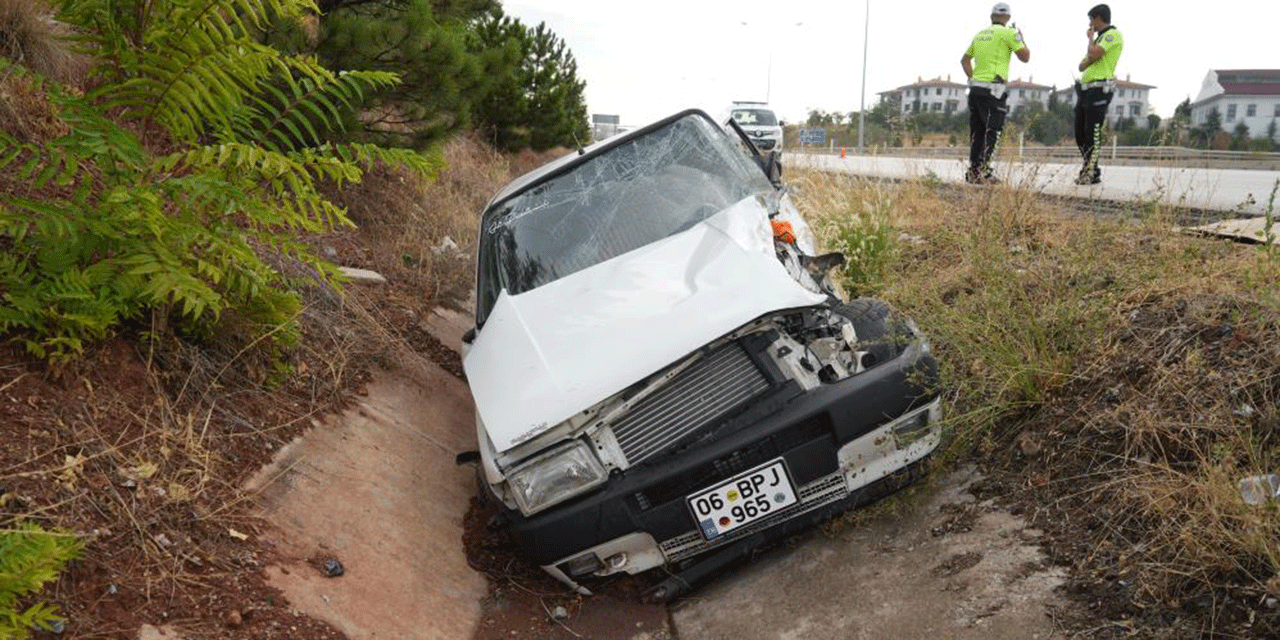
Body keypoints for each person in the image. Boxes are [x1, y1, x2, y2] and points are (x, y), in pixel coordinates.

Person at [960, 2, 1030, 184]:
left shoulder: (981, 34)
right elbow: (1025, 57)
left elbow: (965, 60)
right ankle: (984, 170)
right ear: (1007, 18)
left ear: (991, 17)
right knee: (993, 131)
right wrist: (1021, 38)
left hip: (975, 89)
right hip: (993, 90)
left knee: (977, 132)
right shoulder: (1009, 33)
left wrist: (974, 78)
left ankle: (974, 171)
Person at [1074, 4, 1124, 185]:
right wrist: (1092, 53)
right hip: (1085, 90)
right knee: (1079, 133)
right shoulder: (1099, 40)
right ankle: (1091, 167)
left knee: (1092, 133)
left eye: (1091, 20)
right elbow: (1081, 66)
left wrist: (1091, 40)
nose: (1089, 24)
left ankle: (1090, 171)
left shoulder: (1112, 35)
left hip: (1099, 89)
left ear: (1098, 18)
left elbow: (1093, 54)